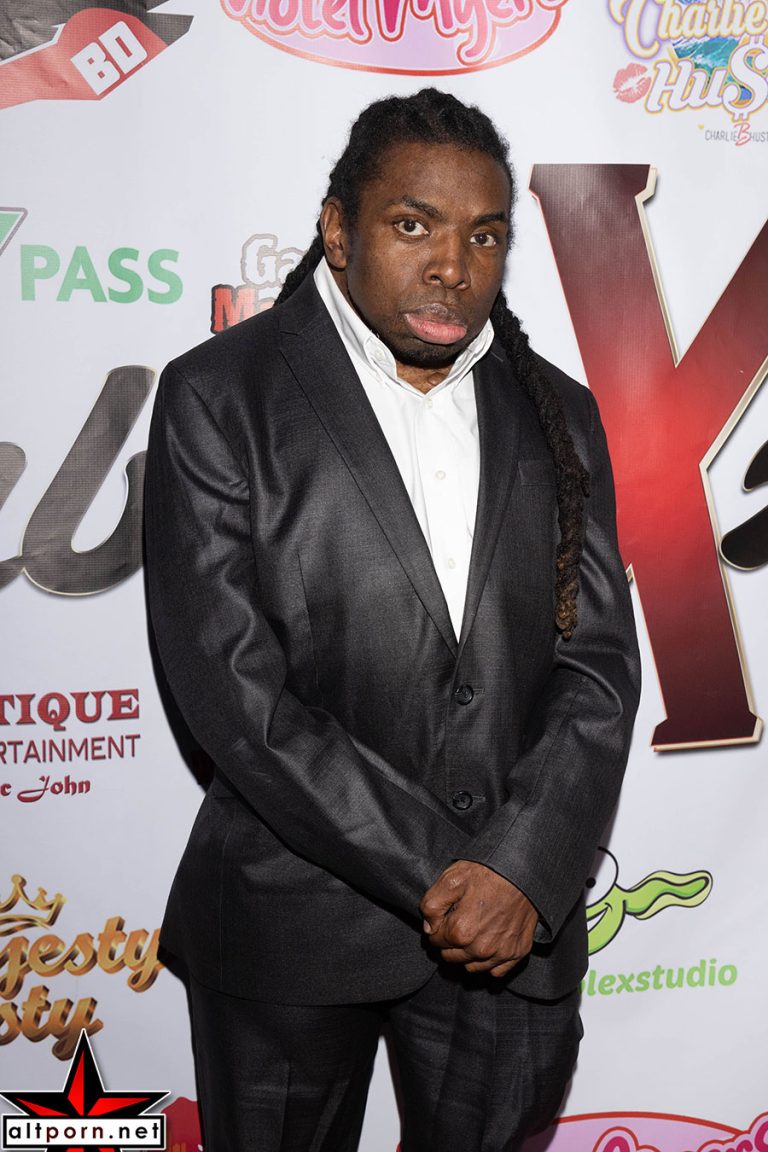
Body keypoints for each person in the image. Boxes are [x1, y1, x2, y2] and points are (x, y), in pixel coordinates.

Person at [144, 88, 641, 1152]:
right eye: (414, 225)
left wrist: (522, 866)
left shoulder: (559, 412)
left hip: (515, 933)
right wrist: (455, 876)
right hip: (291, 926)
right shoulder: (220, 394)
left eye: (484, 236)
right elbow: (234, 694)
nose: (453, 266)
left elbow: (598, 666)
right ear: (338, 228)